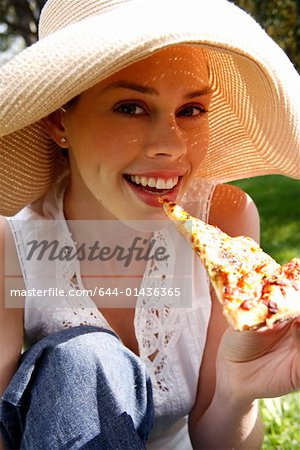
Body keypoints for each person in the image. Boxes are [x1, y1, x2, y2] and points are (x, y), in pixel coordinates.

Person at [0, 0, 299, 449]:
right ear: (57, 121)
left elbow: (213, 437)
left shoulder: (226, 218)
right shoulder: (12, 238)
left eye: (191, 109)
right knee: (85, 360)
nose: (171, 147)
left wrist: (237, 392)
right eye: (130, 107)